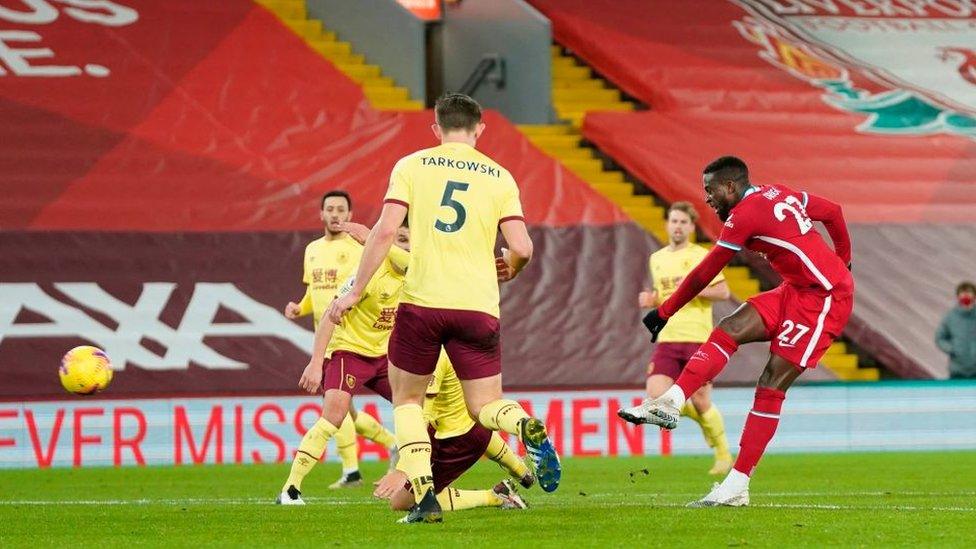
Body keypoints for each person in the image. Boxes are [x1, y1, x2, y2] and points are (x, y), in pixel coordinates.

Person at [327, 93, 560, 523]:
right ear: (480, 128)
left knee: (408, 399)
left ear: (436, 129)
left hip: (422, 304)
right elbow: (523, 247)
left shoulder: (412, 165)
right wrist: (510, 267)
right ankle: (523, 423)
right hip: (478, 306)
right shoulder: (500, 177)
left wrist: (355, 291)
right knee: (485, 405)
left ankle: (425, 498)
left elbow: (384, 233)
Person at [619, 156, 853, 507]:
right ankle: (672, 401)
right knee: (730, 327)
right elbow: (833, 211)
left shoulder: (744, 215)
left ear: (730, 186)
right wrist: (844, 258)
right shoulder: (779, 193)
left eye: (710, 191)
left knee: (771, 382)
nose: (708, 199)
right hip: (795, 289)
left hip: (824, 298)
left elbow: (704, 272)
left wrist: (665, 310)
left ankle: (738, 483)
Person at [276, 221, 410, 505]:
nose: (404, 247)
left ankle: (411, 472)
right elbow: (329, 315)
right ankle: (291, 489)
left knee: (419, 410)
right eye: (398, 240)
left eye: (409, 241)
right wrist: (315, 363)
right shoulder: (366, 275)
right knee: (334, 417)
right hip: (349, 352)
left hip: (386, 357)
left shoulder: (415, 278)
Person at [373, 353, 532, 516]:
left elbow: (422, 417)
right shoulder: (455, 346)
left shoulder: (433, 354)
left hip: (455, 439)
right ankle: (520, 469)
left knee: (402, 501)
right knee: (468, 418)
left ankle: (496, 496)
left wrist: (403, 469)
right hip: (474, 422)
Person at [639, 202, 733, 475]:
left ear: (691, 227)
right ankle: (705, 424)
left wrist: (694, 288)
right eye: (674, 221)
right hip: (668, 338)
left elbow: (724, 292)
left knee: (702, 401)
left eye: (683, 222)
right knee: (656, 396)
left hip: (698, 337)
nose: (678, 226)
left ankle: (723, 454)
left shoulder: (701, 256)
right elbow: (665, 295)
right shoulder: (656, 258)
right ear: (667, 224)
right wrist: (653, 300)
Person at [935, 281, 976, 379]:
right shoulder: (950, 317)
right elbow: (939, 338)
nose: (966, 297)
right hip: (957, 371)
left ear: (974, 297)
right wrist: (952, 349)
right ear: (958, 297)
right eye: (963, 294)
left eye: (969, 293)